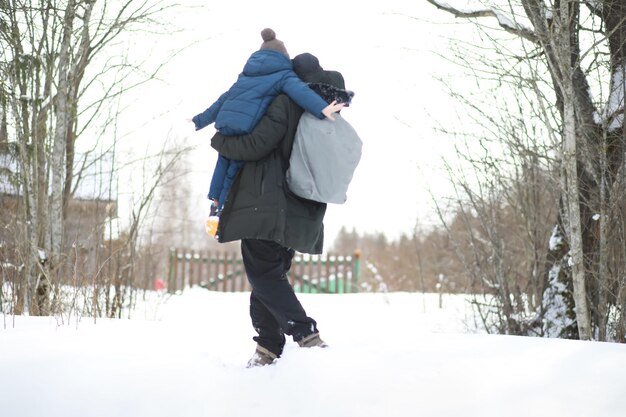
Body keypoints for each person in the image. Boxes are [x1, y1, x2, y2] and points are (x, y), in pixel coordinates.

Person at [210, 53, 354, 367]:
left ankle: (306, 334)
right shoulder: (320, 107)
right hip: (300, 209)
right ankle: (267, 348)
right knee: (269, 277)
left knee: (263, 276)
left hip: (267, 205)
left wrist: (220, 140)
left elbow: (255, 145)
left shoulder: (285, 103)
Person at [191, 29, 343, 226]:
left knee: (222, 163)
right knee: (233, 169)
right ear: (284, 57)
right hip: (246, 126)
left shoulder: (245, 74)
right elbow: (301, 93)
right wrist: (322, 109)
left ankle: (215, 201)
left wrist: (199, 121)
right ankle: (221, 209)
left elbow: (223, 99)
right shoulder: (284, 75)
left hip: (225, 123)